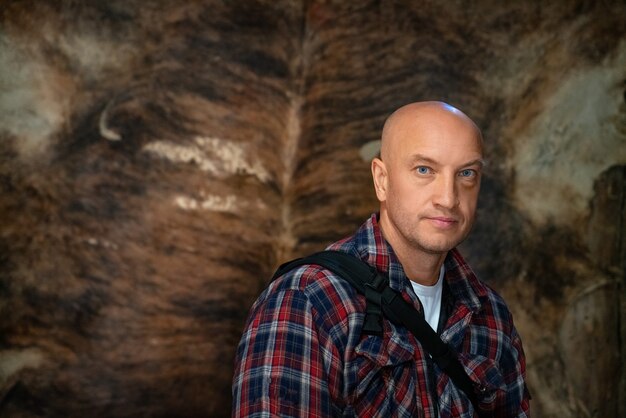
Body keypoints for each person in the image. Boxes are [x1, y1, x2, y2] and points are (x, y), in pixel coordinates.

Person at [232, 101, 530, 417]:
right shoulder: (308, 300)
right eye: (424, 170)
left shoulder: (492, 315)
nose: (448, 198)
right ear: (382, 180)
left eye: (466, 173)